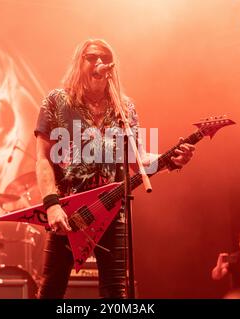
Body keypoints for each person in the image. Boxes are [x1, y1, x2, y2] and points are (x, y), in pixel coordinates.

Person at [34, 39, 195, 298]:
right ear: (79, 62)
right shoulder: (57, 101)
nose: (99, 62)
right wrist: (51, 204)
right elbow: (42, 158)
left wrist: (172, 160)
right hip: (68, 211)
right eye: (92, 57)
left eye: (105, 57)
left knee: (115, 294)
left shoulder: (124, 107)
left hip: (112, 212)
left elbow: (137, 161)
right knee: (51, 291)